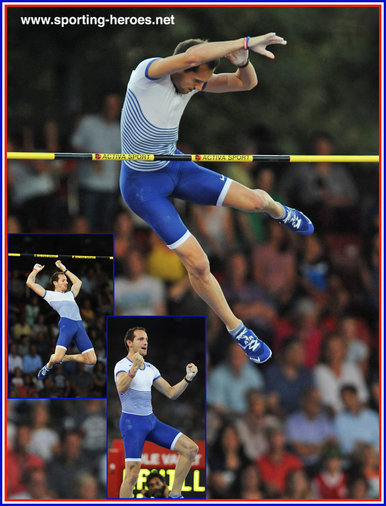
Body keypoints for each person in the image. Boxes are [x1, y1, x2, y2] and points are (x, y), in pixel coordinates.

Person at [120, 34, 314, 365]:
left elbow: (245, 84)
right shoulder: (148, 73)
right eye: (195, 79)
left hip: (175, 165)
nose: (198, 86)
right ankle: (237, 328)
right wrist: (244, 41)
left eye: (202, 82)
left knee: (254, 202)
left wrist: (243, 59)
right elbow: (188, 57)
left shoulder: (194, 80)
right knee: (197, 262)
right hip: (142, 185)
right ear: (183, 65)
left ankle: (279, 210)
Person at [114, 326, 198, 499]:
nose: (145, 342)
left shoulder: (151, 368)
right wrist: (134, 368)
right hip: (132, 423)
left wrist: (188, 377)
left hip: (151, 422)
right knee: (132, 474)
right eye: (140, 339)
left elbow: (171, 393)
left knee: (190, 449)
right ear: (129, 343)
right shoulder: (122, 365)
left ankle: (175, 496)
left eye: (146, 340)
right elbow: (121, 388)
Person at [26, 260, 97, 380]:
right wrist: (35, 271)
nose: (66, 282)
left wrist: (64, 269)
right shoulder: (49, 295)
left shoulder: (70, 294)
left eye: (66, 280)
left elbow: (78, 282)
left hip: (79, 325)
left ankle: (67, 358)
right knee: (56, 358)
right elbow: (30, 283)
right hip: (67, 325)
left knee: (92, 360)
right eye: (63, 280)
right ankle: (48, 365)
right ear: (55, 283)